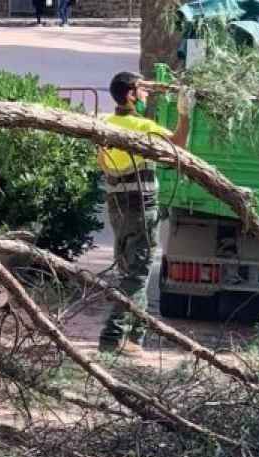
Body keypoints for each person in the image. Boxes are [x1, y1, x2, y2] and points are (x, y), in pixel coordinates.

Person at [96, 71, 194, 355]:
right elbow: (178, 145)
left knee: (130, 268)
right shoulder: (143, 126)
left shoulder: (104, 123)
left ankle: (134, 338)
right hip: (140, 206)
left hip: (116, 205)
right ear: (130, 95)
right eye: (141, 90)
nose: (146, 94)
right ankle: (112, 336)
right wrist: (185, 113)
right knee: (138, 274)